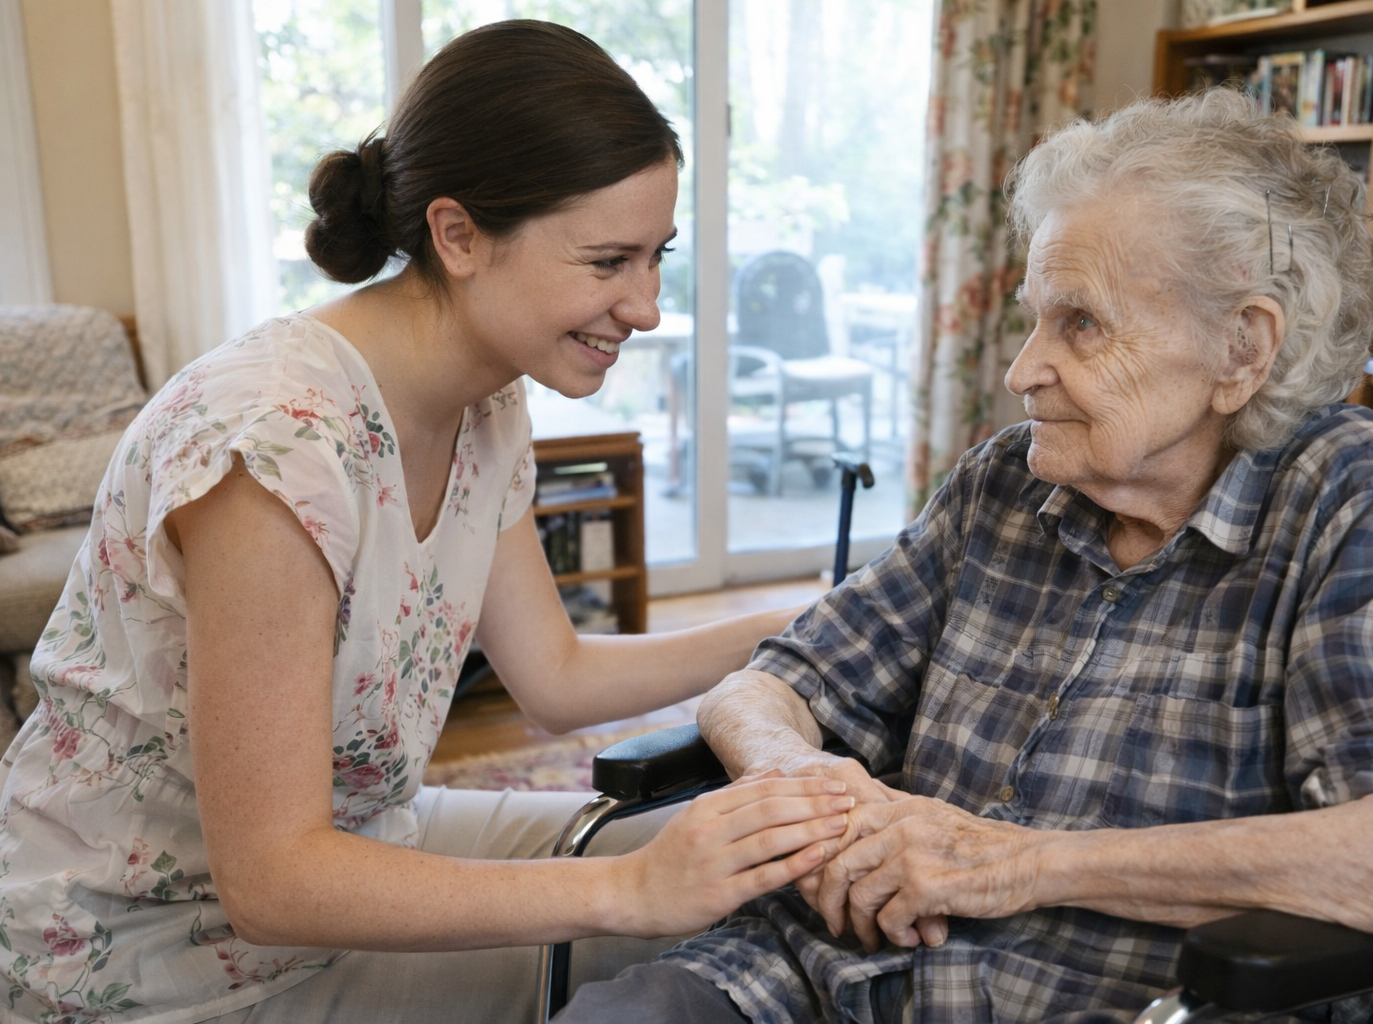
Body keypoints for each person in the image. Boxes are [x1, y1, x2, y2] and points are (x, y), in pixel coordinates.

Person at [554, 89, 1373, 1024]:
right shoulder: (1006, 483)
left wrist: (1019, 861)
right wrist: (805, 788)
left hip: (1114, 1000)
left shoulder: (1343, 493)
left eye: (1081, 322)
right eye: (1034, 316)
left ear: (1241, 349)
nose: (1023, 370)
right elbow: (763, 688)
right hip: (814, 976)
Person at [0, 20, 855, 1024]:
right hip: (170, 951)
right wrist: (628, 889)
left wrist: (818, 618)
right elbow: (272, 881)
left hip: (363, 840)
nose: (648, 306)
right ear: (457, 236)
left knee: (762, 882)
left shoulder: (488, 402)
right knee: (682, 919)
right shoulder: (270, 447)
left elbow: (558, 678)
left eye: (656, 258)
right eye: (608, 261)